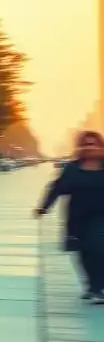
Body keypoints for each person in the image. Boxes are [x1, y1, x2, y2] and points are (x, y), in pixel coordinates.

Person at [36, 130, 104, 303]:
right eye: (86, 144)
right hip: (78, 217)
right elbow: (57, 188)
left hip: (101, 218)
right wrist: (44, 207)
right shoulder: (73, 168)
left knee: (98, 248)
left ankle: (97, 288)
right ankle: (91, 285)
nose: (90, 147)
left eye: (94, 143)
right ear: (80, 147)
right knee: (83, 252)